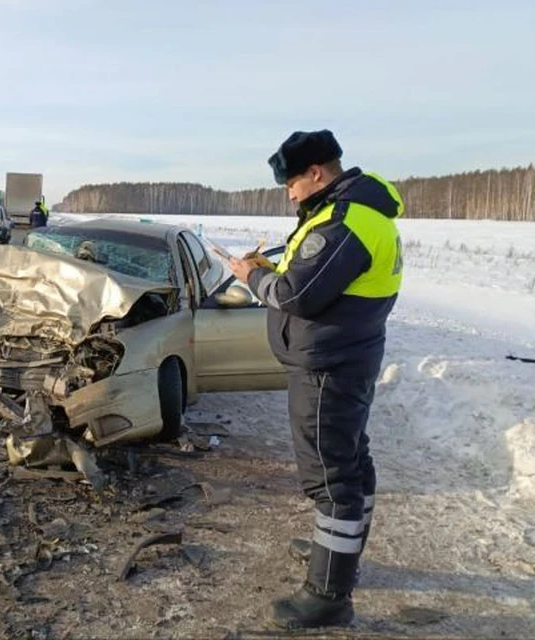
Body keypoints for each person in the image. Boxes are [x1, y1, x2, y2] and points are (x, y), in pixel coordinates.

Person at [229, 130, 404, 629]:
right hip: (348, 354)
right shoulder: (353, 213)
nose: (288, 192)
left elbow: (295, 296)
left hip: (329, 366)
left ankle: (329, 594)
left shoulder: (345, 222)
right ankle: (341, 553)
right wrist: (273, 265)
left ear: (316, 173)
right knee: (351, 460)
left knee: (332, 477)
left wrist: (251, 276)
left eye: (290, 182)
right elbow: (307, 275)